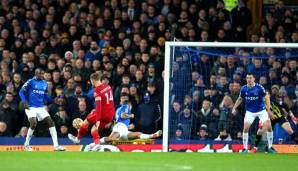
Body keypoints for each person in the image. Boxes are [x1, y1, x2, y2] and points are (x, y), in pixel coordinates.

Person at [19, 68, 65, 151]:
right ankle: (26, 145)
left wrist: (53, 100)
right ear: (36, 73)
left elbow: (45, 96)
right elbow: (21, 92)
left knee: (51, 122)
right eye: (40, 73)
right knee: (33, 123)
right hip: (30, 106)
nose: (42, 75)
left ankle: (56, 146)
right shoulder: (30, 82)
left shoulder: (45, 83)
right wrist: (24, 101)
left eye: (42, 73)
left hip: (40, 107)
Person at [68, 73, 115, 151]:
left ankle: (78, 139)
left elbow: (99, 107)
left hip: (102, 113)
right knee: (94, 129)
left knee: (86, 121)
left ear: (92, 80)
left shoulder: (97, 91)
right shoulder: (108, 86)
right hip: (110, 114)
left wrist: (98, 120)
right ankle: (97, 145)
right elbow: (111, 101)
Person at [232, 73, 276, 153]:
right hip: (250, 112)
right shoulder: (243, 89)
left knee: (269, 126)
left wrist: (268, 110)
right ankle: (245, 148)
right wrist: (234, 107)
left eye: (250, 78)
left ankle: (270, 147)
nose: (248, 79)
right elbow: (240, 99)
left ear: (254, 79)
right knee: (245, 128)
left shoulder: (259, 88)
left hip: (261, 111)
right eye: (247, 78)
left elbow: (266, 97)